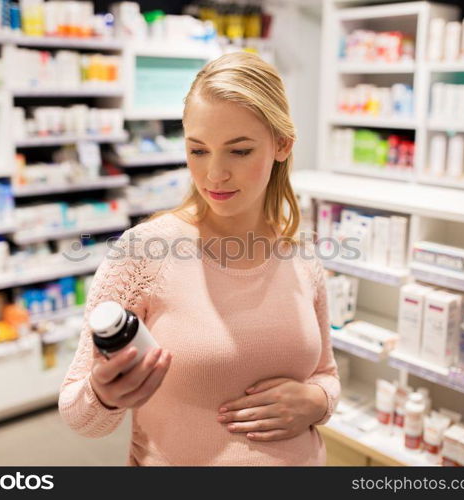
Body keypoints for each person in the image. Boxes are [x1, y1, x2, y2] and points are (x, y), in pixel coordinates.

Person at [59, 52, 340, 466]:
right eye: (198, 150)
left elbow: (326, 374)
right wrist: (103, 395)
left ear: (282, 145)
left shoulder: (300, 257)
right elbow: (81, 416)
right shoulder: (144, 254)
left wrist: (317, 401)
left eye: (239, 152)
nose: (214, 175)